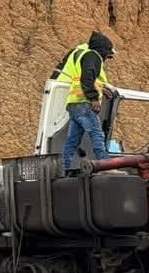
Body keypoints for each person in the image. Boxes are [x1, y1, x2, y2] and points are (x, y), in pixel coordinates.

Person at [51, 31, 118, 171]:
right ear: (102, 50)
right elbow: (87, 78)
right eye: (107, 54)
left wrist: (101, 88)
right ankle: (107, 166)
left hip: (74, 104)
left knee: (72, 141)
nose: (107, 58)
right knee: (97, 134)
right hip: (84, 103)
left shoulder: (83, 54)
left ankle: (63, 170)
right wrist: (93, 98)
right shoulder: (93, 56)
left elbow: (89, 79)